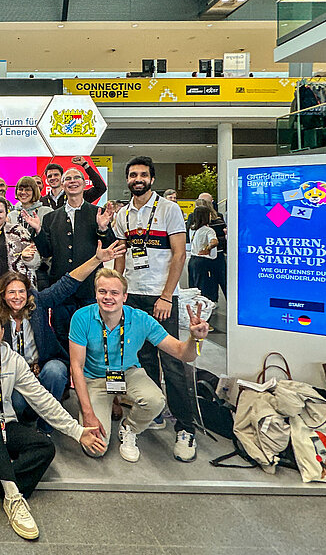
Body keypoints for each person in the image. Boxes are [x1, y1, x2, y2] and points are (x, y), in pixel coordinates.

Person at [0, 311, 105, 539]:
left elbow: (41, 399)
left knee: (45, 447)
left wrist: (77, 431)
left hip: (5, 426)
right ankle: (13, 496)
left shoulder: (13, 360)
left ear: (2, 332)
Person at [68, 269, 210, 462]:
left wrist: (195, 338)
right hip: (94, 378)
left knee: (155, 400)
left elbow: (182, 353)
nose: (108, 297)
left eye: (114, 293)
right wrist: (88, 413)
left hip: (128, 373)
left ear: (125, 296)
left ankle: (129, 428)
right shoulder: (81, 317)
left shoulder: (140, 319)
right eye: (103, 292)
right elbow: (76, 367)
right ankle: (99, 408)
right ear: (96, 294)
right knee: (95, 449)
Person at [112, 156, 197, 462]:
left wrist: (166, 295)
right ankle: (154, 412)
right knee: (142, 357)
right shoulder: (123, 215)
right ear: (128, 179)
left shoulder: (169, 210)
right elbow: (121, 257)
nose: (138, 179)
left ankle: (186, 428)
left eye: (143, 175)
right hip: (133, 295)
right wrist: (119, 291)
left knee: (173, 361)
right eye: (133, 174)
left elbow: (179, 255)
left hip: (161, 297)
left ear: (151, 179)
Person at [0, 239, 126, 423]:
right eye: (11, 292)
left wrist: (96, 259)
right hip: (15, 374)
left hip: (42, 368)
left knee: (56, 371)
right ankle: (25, 421)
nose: (17, 297)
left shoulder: (37, 304)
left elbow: (67, 283)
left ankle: (47, 424)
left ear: (28, 293)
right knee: (19, 403)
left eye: (21, 292)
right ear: (3, 295)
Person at [25, 167, 116, 343]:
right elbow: (46, 252)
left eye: (77, 178)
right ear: (63, 184)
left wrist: (103, 228)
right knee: (62, 333)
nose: (72, 181)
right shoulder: (51, 217)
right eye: (68, 179)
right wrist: (38, 231)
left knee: (93, 335)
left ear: (84, 183)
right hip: (61, 287)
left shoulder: (97, 212)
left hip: (90, 287)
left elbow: (108, 247)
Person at [41, 157, 107, 209]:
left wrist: (85, 165)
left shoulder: (78, 195)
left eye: (56, 175)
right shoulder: (42, 201)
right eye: (50, 176)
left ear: (62, 178)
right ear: (47, 179)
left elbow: (101, 188)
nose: (53, 178)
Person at [187, 205, 218, 302]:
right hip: (203, 261)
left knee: (194, 287)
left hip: (192, 260)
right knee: (204, 288)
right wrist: (208, 248)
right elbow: (214, 241)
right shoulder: (208, 230)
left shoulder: (192, 229)